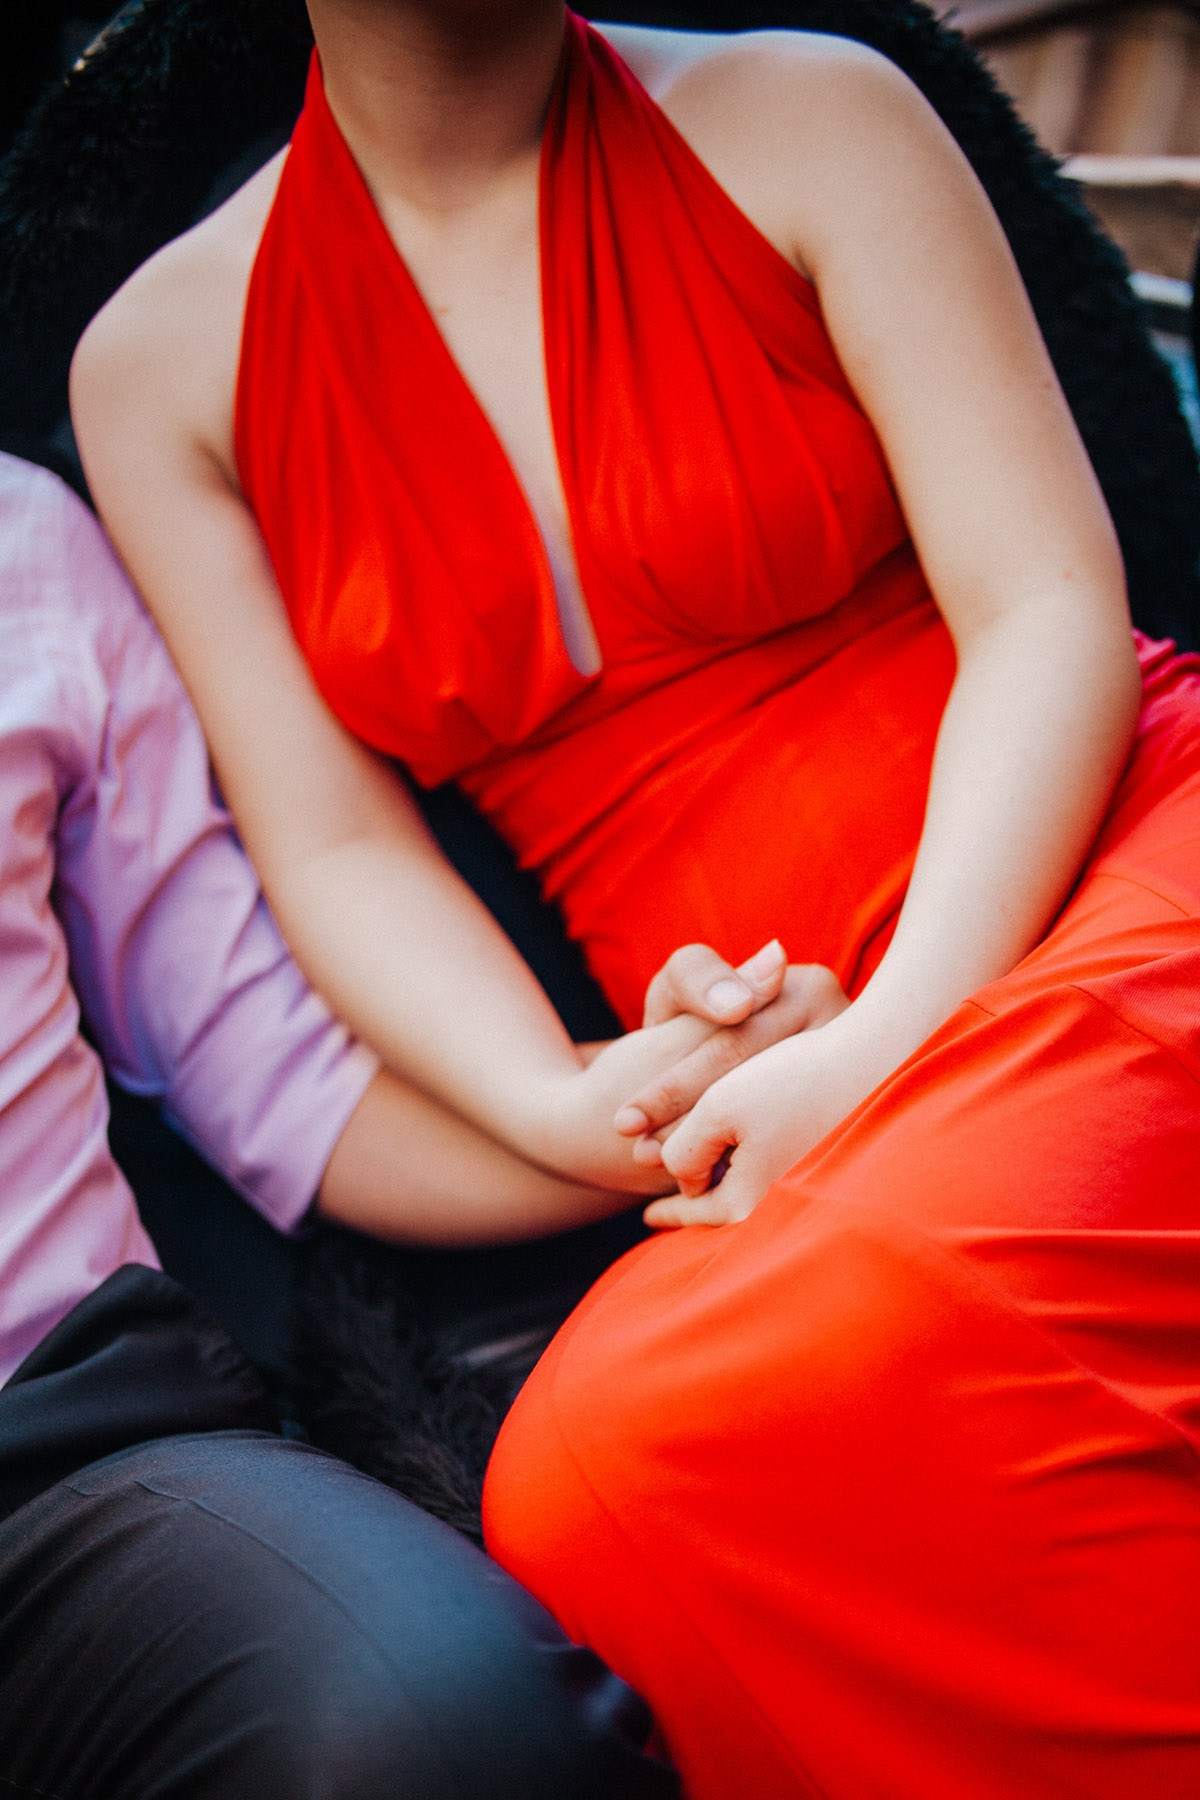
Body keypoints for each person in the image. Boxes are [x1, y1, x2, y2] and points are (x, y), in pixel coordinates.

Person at [69, 0, 1200, 1793]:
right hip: (736, 1043)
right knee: (598, 1475)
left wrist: (894, 1030)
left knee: (914, 1290)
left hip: (1110, 869)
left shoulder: (811, 116)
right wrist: (572, 1097)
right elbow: (340, 848)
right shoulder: (156, 369)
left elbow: (1049, 600)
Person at [0, 445, 815, 1797]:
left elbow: (276, 1078)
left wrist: (678, 1088)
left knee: (452, 1721)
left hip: (62, 1449)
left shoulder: (29, 540)